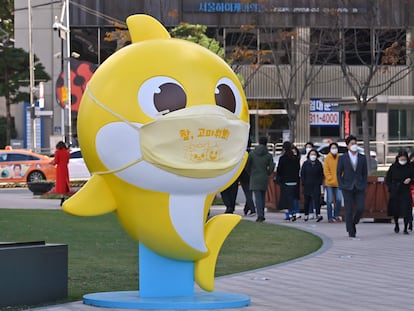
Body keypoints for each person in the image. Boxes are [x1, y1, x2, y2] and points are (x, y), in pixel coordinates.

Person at [337, 135, 368, 238]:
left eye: (355, 143)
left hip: (359, 186)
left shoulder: (362, 158)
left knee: (360, 207)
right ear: (347, 146)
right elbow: (339, 173)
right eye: (352, 144)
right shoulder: (343, 158)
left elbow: (364, 173)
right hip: (347, 187)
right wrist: (342, 184)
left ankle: (354, 222)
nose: (354, 145)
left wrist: (363, 184)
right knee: (348, 209)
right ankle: (351, 230)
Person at [246, 136, 275, 222]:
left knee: (257, 197)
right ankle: (262, 213)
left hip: (254, 177)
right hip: (264, 177)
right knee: (262, 198)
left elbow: (247, 166)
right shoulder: (268, 155)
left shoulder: (252, 154)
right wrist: (268, 173)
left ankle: (260, 215)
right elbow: (271, 167)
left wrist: (251, 173)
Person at [385, 151, 413, 234]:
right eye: (401, 157)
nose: (402, 159)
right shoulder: (393, 167)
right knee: (395, 208)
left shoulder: (410, 167)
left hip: (405, 189)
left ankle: (405, 227)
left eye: (404, 158)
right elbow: (388, 179)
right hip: (395, 190)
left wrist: (410, 179)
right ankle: (396, 224)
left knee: (406, 208)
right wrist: (391, 187)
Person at [276, 141, 300, 221]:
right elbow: (298, 168)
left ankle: (289, 214)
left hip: (285, 181)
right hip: (295, 180)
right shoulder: (295, 158)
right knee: (294, 198)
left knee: (286, 198)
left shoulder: (282, 158)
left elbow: (279, 170)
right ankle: (294, 212)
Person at [301, 148, 324, 222]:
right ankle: (306, 214)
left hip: (316, 184)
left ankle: (318, 214)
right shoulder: (305, 163)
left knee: (317, 200)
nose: (313, 156)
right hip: (307, 184)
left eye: (314, 154)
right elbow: (302, 173)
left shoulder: (319, 164)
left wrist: (320, 182)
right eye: (311, 154)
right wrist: (304, 182)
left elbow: (321, 174)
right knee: (307, 200)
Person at [323, 142, 343, 223]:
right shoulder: (327, 158)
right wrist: (330, 178)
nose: (334, 149)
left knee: (338, 199)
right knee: (329, 201)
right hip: (329, 183)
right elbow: (326, 170)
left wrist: (341, 177)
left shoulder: (340, 158)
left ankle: (336, 215)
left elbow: (343, 169)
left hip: (338, 182)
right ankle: (330, 217)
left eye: (335, 148)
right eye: (332, 148)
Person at [239, 140, 256, 216]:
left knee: (248, 194)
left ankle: (252, 209)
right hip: (251, 175)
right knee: (249, 193)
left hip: (244, 176)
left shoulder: (241, 154)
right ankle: (246, 208)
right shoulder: (252, 153)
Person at [52, 141, 71, 206]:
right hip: (65, 168)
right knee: (65, 183)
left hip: (60, 169)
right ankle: (65, 197)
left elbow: (56, 161)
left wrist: (52, 163)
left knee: (60, 183)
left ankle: (62, 198)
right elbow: (68, 161)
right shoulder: (67, 152)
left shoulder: (57, 152)